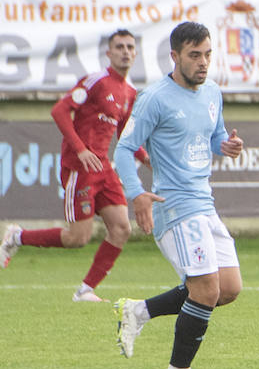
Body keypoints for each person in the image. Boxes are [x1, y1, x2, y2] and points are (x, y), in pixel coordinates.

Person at [112, 22, 247, 369]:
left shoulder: (213, 93)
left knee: (229, 288)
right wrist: (136, 193)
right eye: (194, 55)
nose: (203, 63)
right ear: (174, 57)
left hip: (205, 203)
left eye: (207, 55)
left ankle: (138, 311)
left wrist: (227, 146)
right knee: (205, 289)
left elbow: (216, 136)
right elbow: (123, 149)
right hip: (174, 207)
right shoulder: (154, 98)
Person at [0, 31, 148, 301]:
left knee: (122, 228)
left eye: (130, 47)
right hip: (79, 168)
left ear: (136, 54)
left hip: (103, 167)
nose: (125, 51)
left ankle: (85, 290)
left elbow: (126, 135)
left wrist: (148, 159)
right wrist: (80, 150)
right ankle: (17, 237)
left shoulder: (129, 92)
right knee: (78, 237)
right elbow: (59, 110)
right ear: (109, 53)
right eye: (120, 47)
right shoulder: (95, 82)